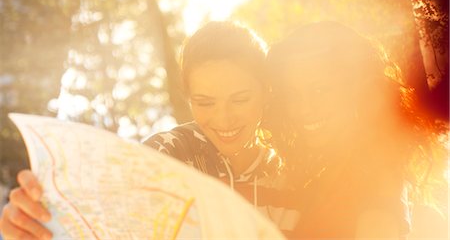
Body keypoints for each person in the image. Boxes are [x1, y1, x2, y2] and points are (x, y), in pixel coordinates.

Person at [0, 21, 297, 239]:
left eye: (240, 99)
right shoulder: (167, 155)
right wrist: (34, 224)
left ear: (266, 92)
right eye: (204, 102)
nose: (224, 118)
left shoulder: (295, 170)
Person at [265, 21, 447, 239]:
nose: (303, 107)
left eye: (320, 90)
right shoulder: (338, 170)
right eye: (293, 93)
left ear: (358, 91)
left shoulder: (374, 183)